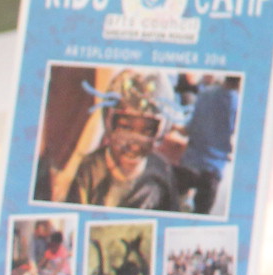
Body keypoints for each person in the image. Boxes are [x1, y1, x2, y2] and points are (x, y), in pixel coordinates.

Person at [52, 71, 185, 213]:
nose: (134, 145)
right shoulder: (91, 169)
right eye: (125, 127)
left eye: (147, 130)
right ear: (109, 123)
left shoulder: (162, 172)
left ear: (161, 130)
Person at [173, 73, 237, 215]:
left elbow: (189, 129)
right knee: (201, 218)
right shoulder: (238, 102)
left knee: (172, 209)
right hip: (212, 171)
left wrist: (175, 127)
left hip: (189, 164)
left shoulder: (206, 93)